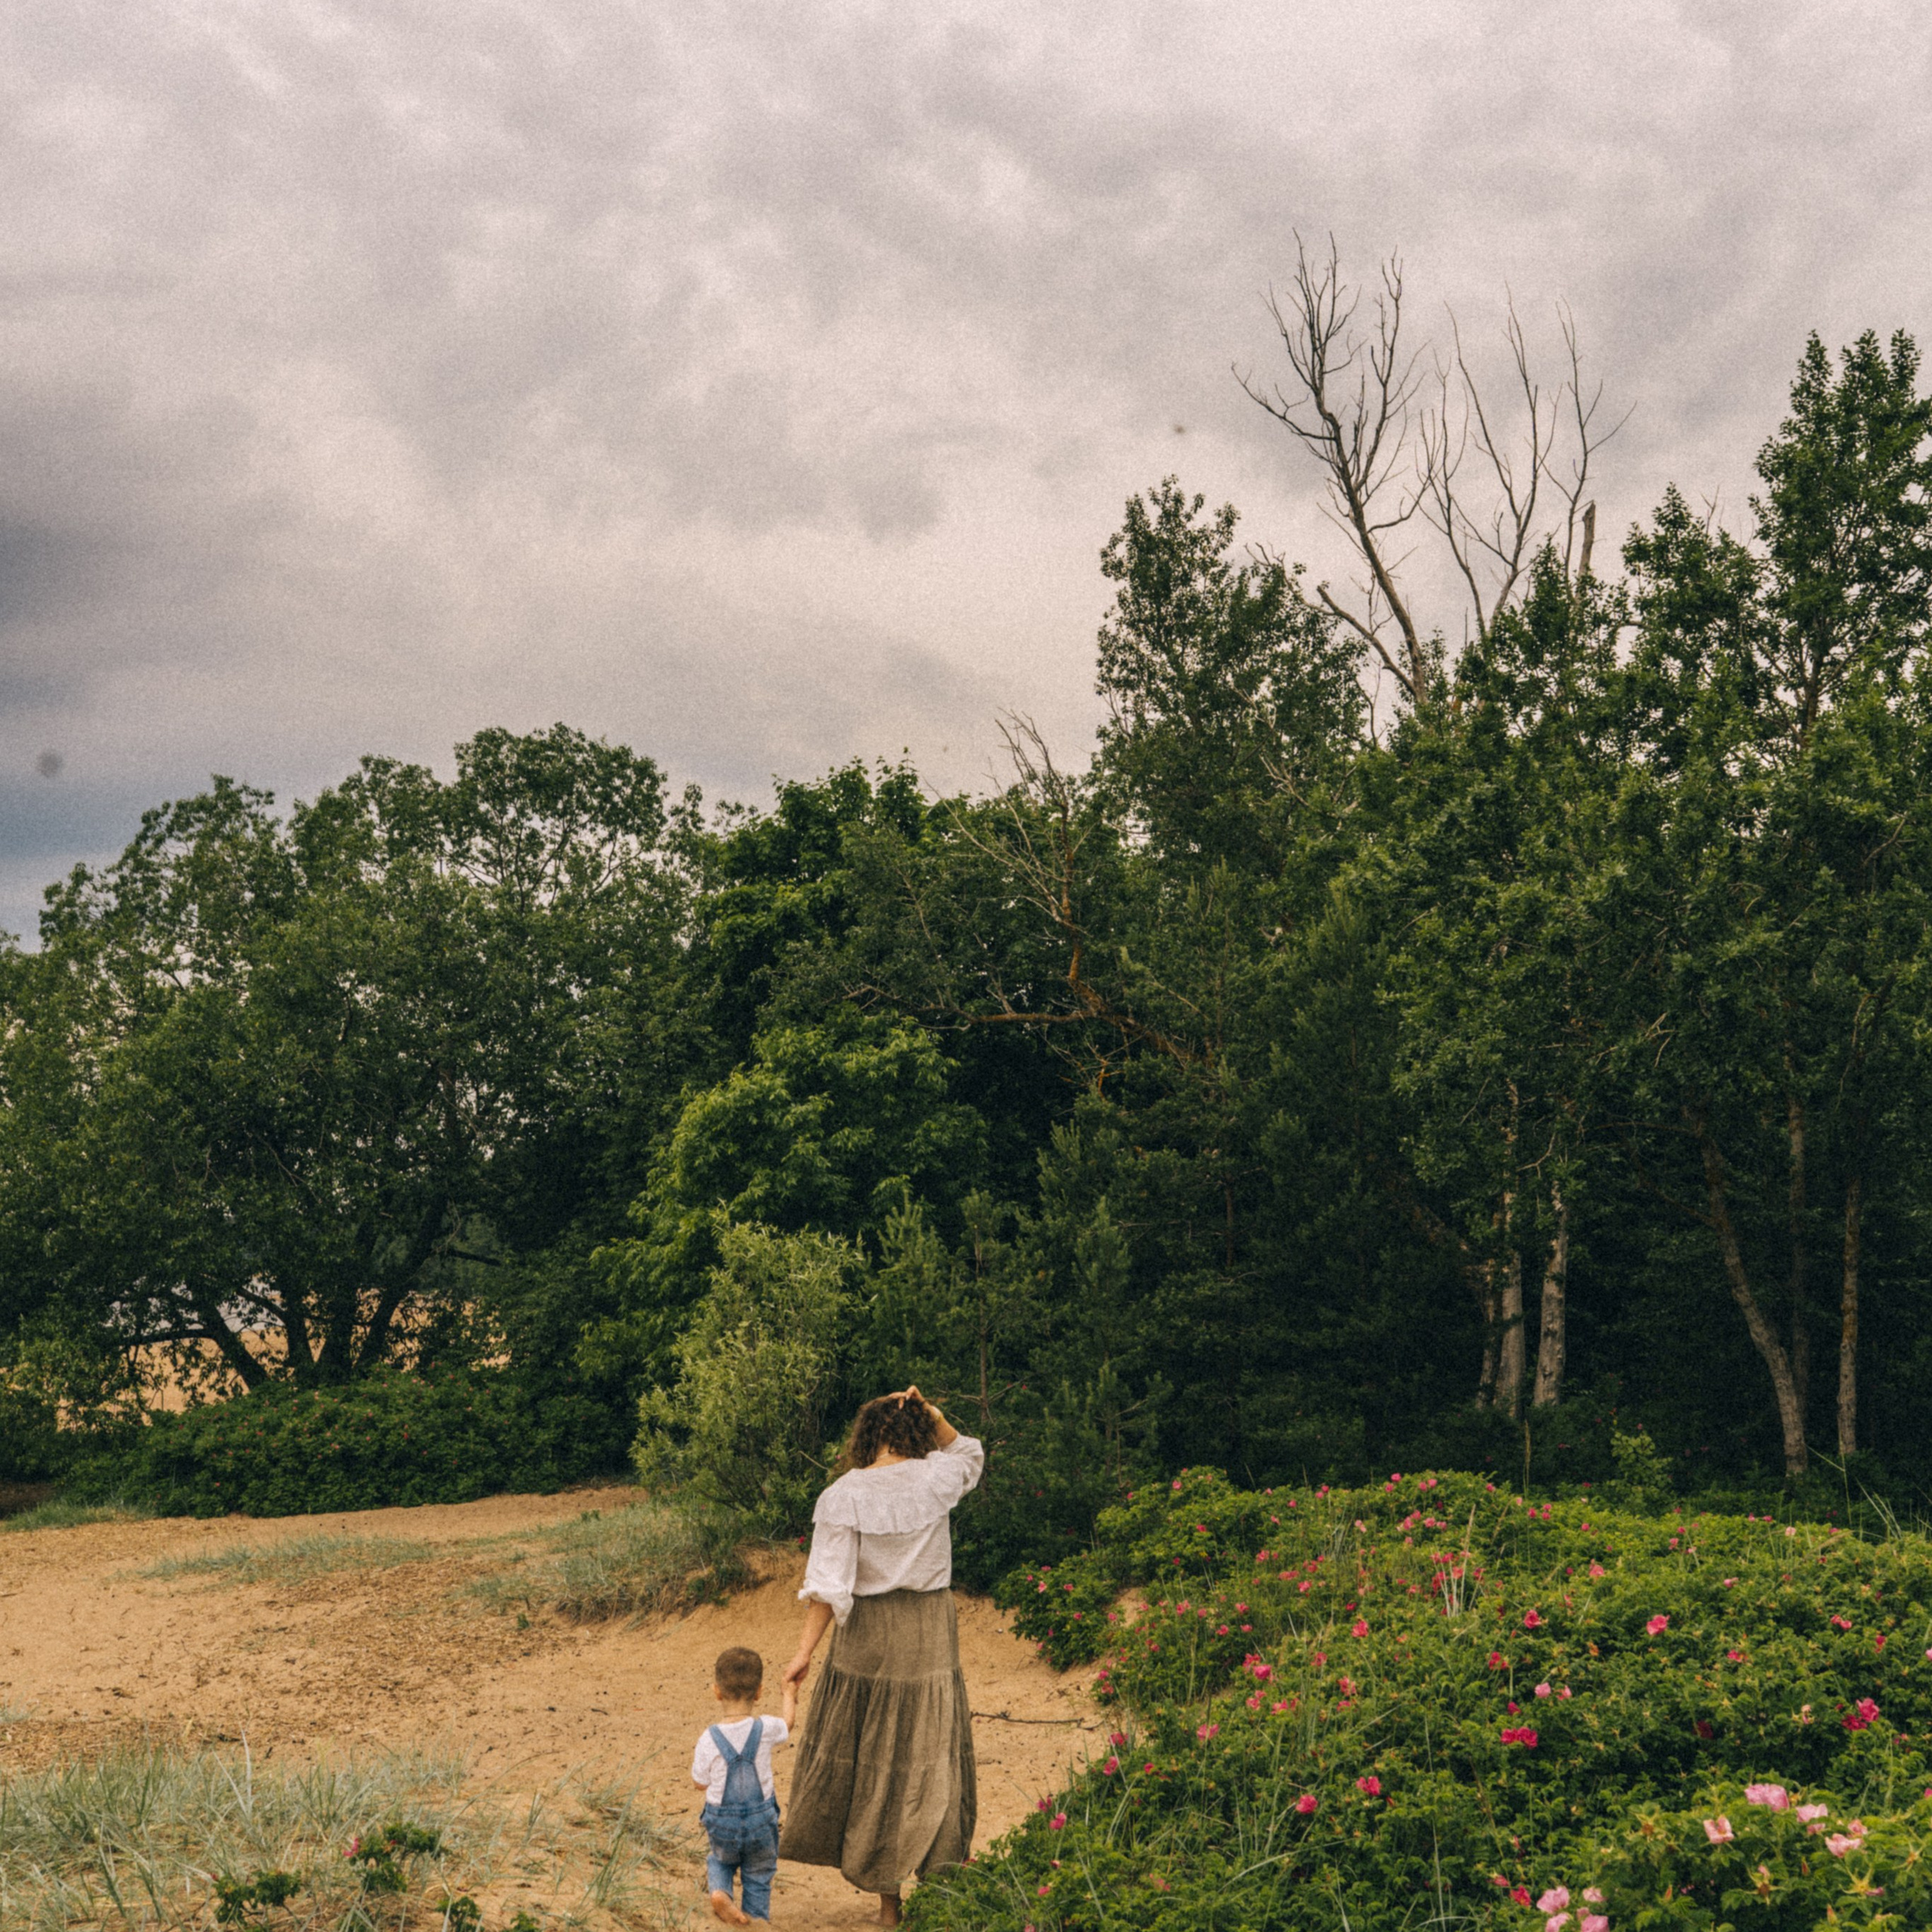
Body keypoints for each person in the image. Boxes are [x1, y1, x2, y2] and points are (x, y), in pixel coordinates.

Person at [780, 1386, 983, 1928]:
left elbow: (828, 1586)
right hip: (928, 1631)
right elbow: (969, 1452)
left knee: (876, 1759)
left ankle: (888, 1905)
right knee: (927, 1751)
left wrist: (802, 1656)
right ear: (916, 1432)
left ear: (867, 1434)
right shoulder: (939, 1475)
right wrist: (933, 1413)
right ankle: (938, 1885)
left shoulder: (843, 1494)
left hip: (868, 1633)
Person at [691, 1644, 795, 1925]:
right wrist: (789, 1694)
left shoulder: (708, 1738)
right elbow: (788, 1723)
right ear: (759, 1692)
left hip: (722, 1822)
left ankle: (721, 1892)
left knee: (720, 1861)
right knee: (759, 1873)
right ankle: (755, 1919)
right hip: (761, 1822)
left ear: (716, 1691)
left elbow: (699, 1783)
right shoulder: (765, 1729)